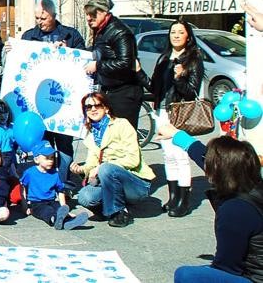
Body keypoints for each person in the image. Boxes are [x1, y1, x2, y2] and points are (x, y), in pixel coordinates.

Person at [164, 131, 263, 282]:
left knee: (186, 275)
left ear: (216, 171)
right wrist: (179, 136)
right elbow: (208, 157)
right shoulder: (252, 181)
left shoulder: (235, 209)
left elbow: (229, 266)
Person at [14, 0, 87, 192]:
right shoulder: (29, 36)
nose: (40, 21)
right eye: (37, 18)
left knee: (63, 147)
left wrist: (69, 51)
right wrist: (11, 52)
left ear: (53, 15)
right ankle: (44, 186)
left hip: (64, 105)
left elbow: (85, 60)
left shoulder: (71, 35)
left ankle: (62, 185)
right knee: (43, 146)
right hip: (38, 105)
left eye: (43, 18)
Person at [145, 19, 204, 218]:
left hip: (179, 112)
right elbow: (154, 87)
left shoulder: (193, 59)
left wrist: (180, 78)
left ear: (188, 36)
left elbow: (191, 92)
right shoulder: (164, 58)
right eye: (173, 32)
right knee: (167, 155)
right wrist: (138, 73)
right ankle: (172, 197)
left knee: (180, 154)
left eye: (180, 32)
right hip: (162, 111)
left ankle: (183, 200)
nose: (176, 35)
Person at [70, 92, 154, 228]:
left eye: (97, 105)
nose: (93, 109)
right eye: (88, 107)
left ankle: (118, 213)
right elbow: (92, 162)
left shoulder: (122, 124)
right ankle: (110, 209)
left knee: (106, 168)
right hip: (110, 181)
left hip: (136, 183)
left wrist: (101, 167)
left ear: (106, 108)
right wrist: (82, 169)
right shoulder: (92, 133)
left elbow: (133, 159)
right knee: (84, 197)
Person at [83, 0, 143, 129]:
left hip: (124, 93)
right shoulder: (101, 30)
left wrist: (98, 66)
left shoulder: (120, 32)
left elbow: (126, 63)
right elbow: (97, 54)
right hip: (109, 91)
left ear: (104, 12)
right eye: (87, 14)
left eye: (92, 14)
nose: (88, 18)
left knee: (123, 139)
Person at [20, 143, 90, 230]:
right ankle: (57, 220)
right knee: (47, 211)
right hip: (36, 204)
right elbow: (22, 187)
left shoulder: (55, 174)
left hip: (51, 201)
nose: (50, 161)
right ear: (37, 159)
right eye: (47, 158)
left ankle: (67, 220)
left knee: (58, 208)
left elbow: (60, 190)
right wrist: (25, 207)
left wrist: (64, 207)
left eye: (52, 157)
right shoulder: (30, 173)